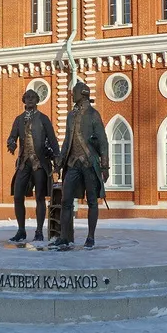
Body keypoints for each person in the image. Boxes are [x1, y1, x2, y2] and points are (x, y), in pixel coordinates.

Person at [51, 81, 109, 249]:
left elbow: (103, 141)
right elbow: (67, 141)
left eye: (74, 91)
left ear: (82, 94)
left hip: (89, 163)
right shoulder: (70, 115)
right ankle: (65, 236)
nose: (71, 94)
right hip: (72, 163)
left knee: (92, 201)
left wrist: (104, 166)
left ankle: (90, 237)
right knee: (66, 200)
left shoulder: (93, 114)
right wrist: (60, 161)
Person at [6, 89, 60, 242]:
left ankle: (39, 231)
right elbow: (12, 137)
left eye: (33, 97)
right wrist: (11, 143)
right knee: (17, 196)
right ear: (24, 100)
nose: (29, 99)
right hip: (24, 163)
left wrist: (57, 158)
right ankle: (21, 230)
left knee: (40, 198)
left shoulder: (43, 119)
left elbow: (53, 140)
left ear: (37, 100)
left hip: (39, 163)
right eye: (27, 97)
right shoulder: (19, 119)